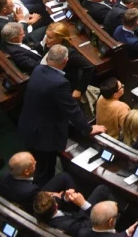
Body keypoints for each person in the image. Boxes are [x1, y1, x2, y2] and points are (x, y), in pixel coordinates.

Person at [17, 45, 106, 184]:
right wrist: (88, 129)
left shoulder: (38, 69)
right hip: (44, 136)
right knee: (45, 171)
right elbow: (71, 109)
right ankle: (42, 197)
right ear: (65, 61)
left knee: (38, 165)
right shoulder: (59, 83)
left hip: (28, 126)